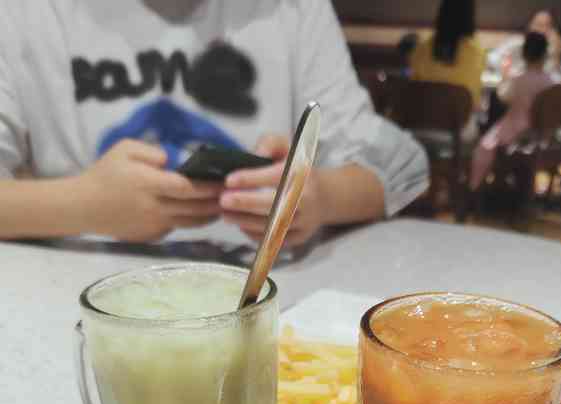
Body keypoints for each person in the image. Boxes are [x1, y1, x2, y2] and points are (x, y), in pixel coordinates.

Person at [0, 0, 429, 246]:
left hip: (265, 302)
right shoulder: (27, 14)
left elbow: (399, 169)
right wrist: (84, 204)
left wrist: (318, 197)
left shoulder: (293, 9)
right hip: (78, 302)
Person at [469, 32, 553, 192]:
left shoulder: (518, 79)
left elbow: (503, 97)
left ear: (523, 55)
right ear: (545, 55)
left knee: (485, 145)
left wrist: (505, 77)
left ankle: (475, 187)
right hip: (541, 134)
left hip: (514, 131)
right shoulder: (550, 81)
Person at [409, 0, 486, 110]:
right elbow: (474, 101)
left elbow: (413, 89)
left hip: (423, 117)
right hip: (458, 122)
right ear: (470, 17)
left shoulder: (421, 50)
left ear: (441, 14)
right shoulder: (476, 53)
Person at [487, 9, 561, 78]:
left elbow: (553, 75)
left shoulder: (551, 50)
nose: (543, 30)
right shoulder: (516, 43)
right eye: (539, 25)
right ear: (529, 26)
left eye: (548, 26)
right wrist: (510, 72)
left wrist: (556, 51)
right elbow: (492, 58)